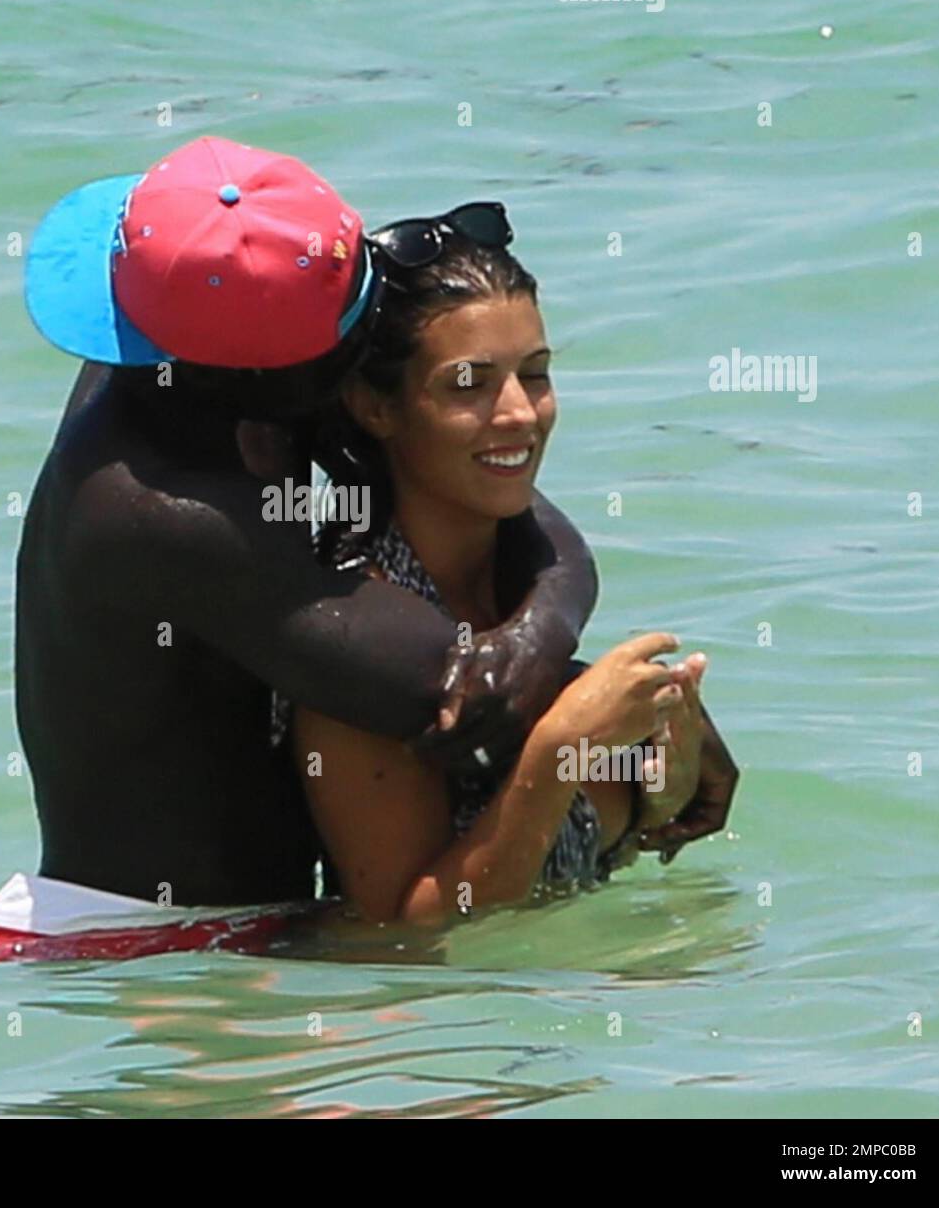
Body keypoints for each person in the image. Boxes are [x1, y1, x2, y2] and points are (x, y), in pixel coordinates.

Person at [0, 137, 617, 960]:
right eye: (352, 325)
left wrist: (553, 624)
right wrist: (633, 715)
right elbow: (460, 698)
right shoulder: (159, 511)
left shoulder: (191, 352)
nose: (364, 333)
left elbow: (491, 490)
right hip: (147, 950)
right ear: (289, 372)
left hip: (239, 939)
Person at [285, 205, 738, 924]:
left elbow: (569, 857)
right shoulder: (356, 637)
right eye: (469, 385)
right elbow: (401, 933)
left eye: (535, 375)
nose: (521, 414)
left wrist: (659, 783)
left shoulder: (523, 592)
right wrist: (563, 748)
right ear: (376, 407)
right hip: (447, 1032)